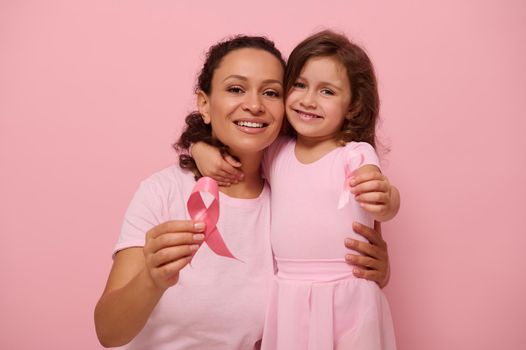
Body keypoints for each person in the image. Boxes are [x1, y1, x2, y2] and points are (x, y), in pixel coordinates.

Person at [94, 35, 391, 350]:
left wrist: (377, 271)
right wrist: (150, 281)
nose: (253, 105)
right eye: (236, 89)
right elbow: (109, 333)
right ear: (204, 105)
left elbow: (341, 265)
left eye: (271, 92)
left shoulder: (290, 199)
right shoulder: (163, 191)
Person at [192, 30, 399, 349]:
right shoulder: (275, 151)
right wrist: (198, 148)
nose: (308, 100)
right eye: (299, 85)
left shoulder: (354, 154)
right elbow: (233, 147)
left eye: (327, 91)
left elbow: (382, 196)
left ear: (354, 106)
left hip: (347, 294)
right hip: (288, 296)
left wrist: (386, 199)